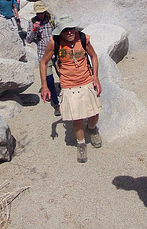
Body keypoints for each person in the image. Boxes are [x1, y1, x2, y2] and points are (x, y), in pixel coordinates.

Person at [39, 14, 102, 163]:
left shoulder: (83, 38)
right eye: (65, 30)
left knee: (94, 114)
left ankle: (92, 129)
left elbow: (94, 56)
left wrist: (96, 77)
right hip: (68, 85)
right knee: (77, 118)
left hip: (87, 81)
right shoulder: (54, 43)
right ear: (60, 31)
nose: (69, 32)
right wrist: (44, 86)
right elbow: (43, 63)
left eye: (71, 28)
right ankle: (81, 144)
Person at [25, 1, 60, 116]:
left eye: (42, 12)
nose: (40, 14)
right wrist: (34, 30)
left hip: (57, 52)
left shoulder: (52, 19)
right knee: (49, 80)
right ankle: (56, 104)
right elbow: (28, 40)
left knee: (63, 74)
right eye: (38, 13)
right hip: (43, 54)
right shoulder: (32, 22)